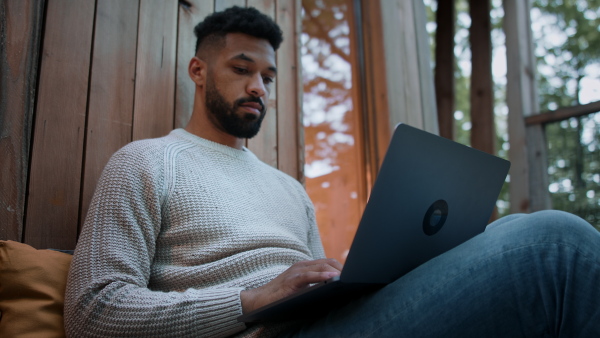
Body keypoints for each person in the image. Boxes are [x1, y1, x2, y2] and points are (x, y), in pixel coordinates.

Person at [64, 6, 600, 337]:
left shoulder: (289, 191)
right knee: (555, 245)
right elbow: (92, 312)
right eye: (242, 69)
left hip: (332, 323)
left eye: (269, 77)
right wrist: (251, 300)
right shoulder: (147, 161)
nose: (259, 87)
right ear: (198, 72)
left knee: (509, 232)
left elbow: (319, 285)